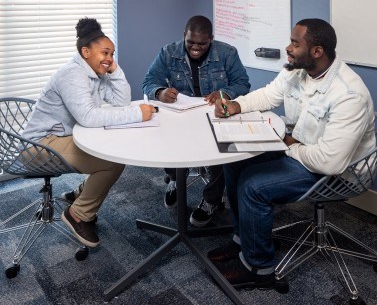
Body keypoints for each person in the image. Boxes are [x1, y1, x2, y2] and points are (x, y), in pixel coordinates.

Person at [207, 18, 376, 289]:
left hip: (338, 171)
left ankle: (259, 268)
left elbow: (330, 162)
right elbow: (269, 95)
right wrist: (236, 105)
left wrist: (287, 143)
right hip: (300, 149)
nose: (288, 48)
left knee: (253, 185)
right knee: (236, 162)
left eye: (295, 43)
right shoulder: (297, 69)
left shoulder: (349, 94)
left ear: (317, 51)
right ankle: (245, 239)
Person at [23, 17, 156, 248]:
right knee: (112, 162)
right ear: (86, 51)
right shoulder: (72, 75)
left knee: (112, 151)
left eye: (112, 54)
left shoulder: (94, 74)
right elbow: (89, 117)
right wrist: (138, 114)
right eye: (105, 53)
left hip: (60, 138)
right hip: (39, 146)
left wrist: (114, 70)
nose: (109, 59)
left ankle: (80, 194)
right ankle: (78, 215)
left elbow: (121, 102)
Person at [142, 15, 250, 227]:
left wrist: (224, 93)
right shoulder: (168, 52)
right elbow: (148, 81)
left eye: (202, 43)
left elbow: (243, 84)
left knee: (222, 151)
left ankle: (211, 199)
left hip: (215, 112)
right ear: (184, 36)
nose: (195, 48)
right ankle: (174, 179)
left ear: (211, 38)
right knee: (164, 136)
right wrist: (160, 92)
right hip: (181, 113)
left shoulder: (227, 53)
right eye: (190, 42)